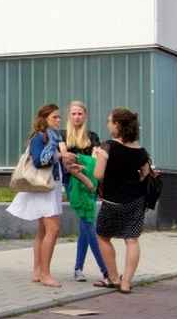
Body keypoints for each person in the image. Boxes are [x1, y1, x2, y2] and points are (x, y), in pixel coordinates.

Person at [94, 107, 154, 295]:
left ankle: (113, 278)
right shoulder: (141, 150)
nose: (108, 124)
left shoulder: (107, 146)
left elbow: (98, 174)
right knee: (132, 240)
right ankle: (126, 282)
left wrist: (96, 157)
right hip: (135, 200)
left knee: (103, 236)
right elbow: (145, 174)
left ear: (117, 125)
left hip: (112, 201)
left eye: (109, 121)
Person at [8, 104, 64, 288]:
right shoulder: (41, 137)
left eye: (59, 117)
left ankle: (38, 271)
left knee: (43, 230)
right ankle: (45, 274)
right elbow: (40, 161)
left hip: (50, 187)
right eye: (55, 117)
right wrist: (56, 151)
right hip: (43, 188)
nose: (58, 120)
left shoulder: (52, 136)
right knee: (53, 230)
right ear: (45, 119)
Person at [59, 100, 106, 283]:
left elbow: (95, 163)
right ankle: (105, 269)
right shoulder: (62, 136)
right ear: (69, 116)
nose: (77, 117)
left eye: (80, 113)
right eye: (73, 114)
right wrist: (81, 164)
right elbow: (68, 164)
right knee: (88, 224)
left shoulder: (92, 136)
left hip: (91, 185)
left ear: (85, 115)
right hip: (74, 184)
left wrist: (81, 161)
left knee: (85, 226)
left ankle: (78, 268)